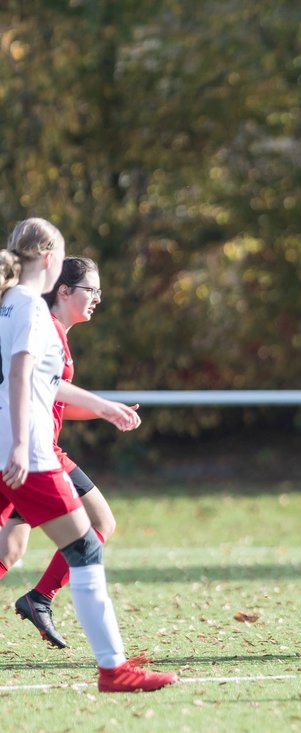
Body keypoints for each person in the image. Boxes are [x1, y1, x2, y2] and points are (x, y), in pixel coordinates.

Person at [0, 218, 174, 691]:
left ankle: (91, 646)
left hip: (12, 448)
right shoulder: (34, 313)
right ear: (53, 261)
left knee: (12, 550)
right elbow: (22, 376)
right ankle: (113, 669)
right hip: (29, 454)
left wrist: (101, 408)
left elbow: (41, 385)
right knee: (86, 546)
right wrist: (19, 443)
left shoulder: (10, 304)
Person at [3, 257, 132, 649]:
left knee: (11, 546)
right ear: (63, 290)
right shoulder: (45, 329)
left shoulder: (51, 329)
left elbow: (52, 398)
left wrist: (104, 411)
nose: (97, 298)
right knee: (101, 524)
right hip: (37, 453)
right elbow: (35, 384)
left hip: (29, 448)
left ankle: (39, 599)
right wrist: (104, 407)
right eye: (90, 290)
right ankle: (40, 599)